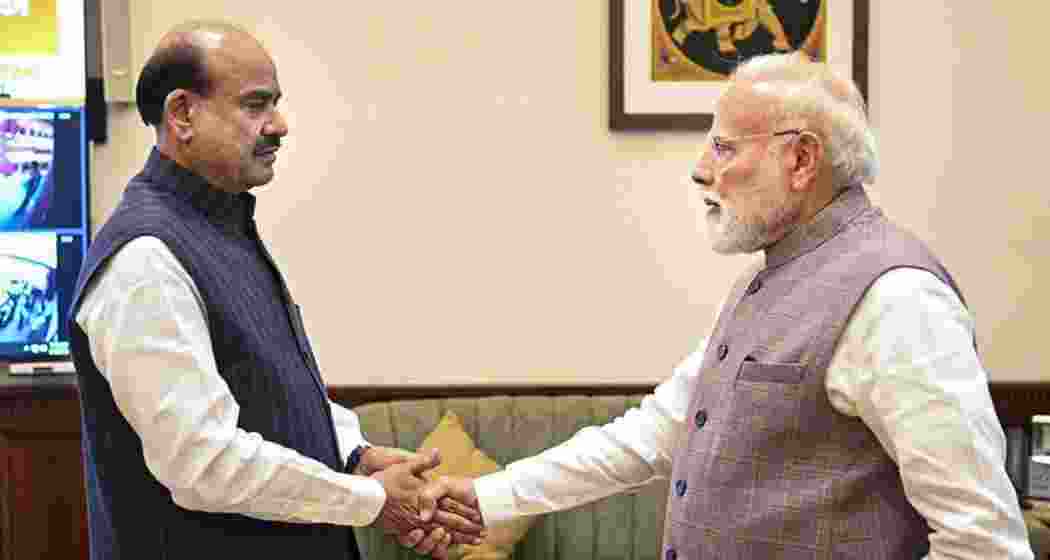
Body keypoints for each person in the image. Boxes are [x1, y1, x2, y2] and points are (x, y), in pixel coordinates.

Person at [420, 52, 1035, 559]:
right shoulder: (764, 280)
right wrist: (491, 497)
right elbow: (654, 433)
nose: (699, 170)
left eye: (723, 147)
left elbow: (985, 543)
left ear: (800, 160)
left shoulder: (898, 299)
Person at [68, 21, 482, 560]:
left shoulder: (219, 226)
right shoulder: (145, 259)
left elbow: (270, 385)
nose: (280, 125)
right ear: (182, 114)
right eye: (255, 105)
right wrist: (368, 499)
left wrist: (354, 455)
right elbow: (204, 465)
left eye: (276, 104)